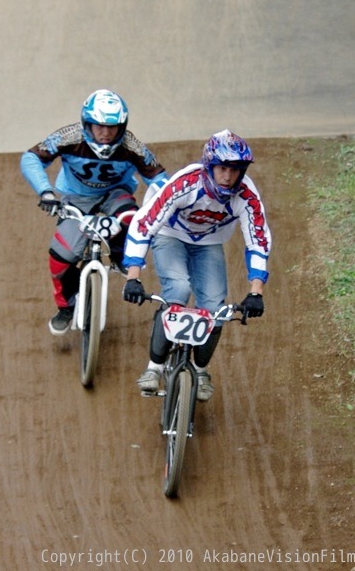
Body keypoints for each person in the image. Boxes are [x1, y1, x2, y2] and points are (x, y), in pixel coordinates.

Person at [121, 130, 271, 403]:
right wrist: (133, 276)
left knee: (215, 308)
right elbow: (145, 224)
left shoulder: (247, 195)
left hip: (209, 242)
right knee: (177, 289)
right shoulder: (186, 183)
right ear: (210, 166)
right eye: (222, 168)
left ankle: (201, 372)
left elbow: (257, 240)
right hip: (170, 234)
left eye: (235, 170)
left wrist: (256, 292)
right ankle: (154, 368)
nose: (228, 176)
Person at [20, 89, 167, 336]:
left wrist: (164, 202)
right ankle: (66, 306)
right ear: (86, 123)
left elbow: (159, 177)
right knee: (60, 257)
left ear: (123, 126)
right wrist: (45, 192)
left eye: (113, 127)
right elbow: (31, 158)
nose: (106, 133)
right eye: (98, 126)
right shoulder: (69, 137)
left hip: (115, 194)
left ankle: (122, 254)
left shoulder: (132, 145)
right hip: (76, 199)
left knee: (132, 216)